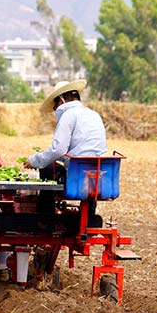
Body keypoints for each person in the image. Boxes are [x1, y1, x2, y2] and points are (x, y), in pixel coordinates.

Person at [24, 79, 107, 223]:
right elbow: (81, 150)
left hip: (77, 177)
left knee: (48, 168)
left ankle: (45, 219)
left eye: (55, 106)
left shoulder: (68, 116)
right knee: (86, 167)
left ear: (61, 101)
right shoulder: (94, 115)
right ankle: (89, 216)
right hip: (98, 177)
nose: (56, 110)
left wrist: (34, 160)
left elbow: (58, 150)